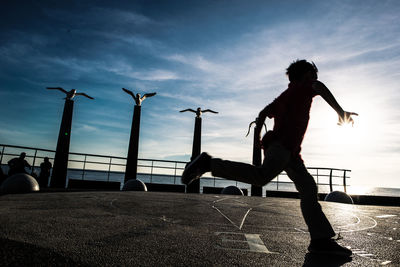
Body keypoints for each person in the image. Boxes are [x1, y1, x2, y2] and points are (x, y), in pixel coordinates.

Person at [181, 59, 358, 257]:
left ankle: (320, 240)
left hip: (290, 152)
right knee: (261, 176)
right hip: (282, 147)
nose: (315, 79)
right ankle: (209, 163)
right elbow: (320, 87)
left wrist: (257, 133)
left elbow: (263, 112)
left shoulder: (285, 95)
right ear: (304, 75)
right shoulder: (304, 87)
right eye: (312, 75)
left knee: (308, 188)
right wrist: (340, 111)